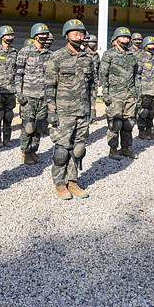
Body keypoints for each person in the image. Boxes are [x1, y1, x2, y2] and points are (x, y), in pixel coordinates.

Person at [45, 19, 96, 200]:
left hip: (82, 110)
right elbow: (49, 86)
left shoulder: (88, 58)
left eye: (81, 33)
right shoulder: (57, 57)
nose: (79, 36)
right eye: (75, 33)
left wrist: (92, 107)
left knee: (78, 148)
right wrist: (51, 110)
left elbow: (92, 85)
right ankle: (60, 183)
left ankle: (73, 181)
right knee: (61, 151)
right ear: (67, 35)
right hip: (64, 112)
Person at [14, 23, 52, 165]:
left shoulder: (49, 55)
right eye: (42, 35)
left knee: (40, 126)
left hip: (43, 96)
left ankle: (34, 150)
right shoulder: (25, 52)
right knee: (28, 126)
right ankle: (25, 152)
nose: (44, 37)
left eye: (46, 35)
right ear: (35, 36)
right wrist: (19, 93)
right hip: (28, 95)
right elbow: (18, 74)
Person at [99, 27, 138, 159]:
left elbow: (136, 75)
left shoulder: (132, 55)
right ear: (116, 39)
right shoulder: (109, 54)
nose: (126, 40)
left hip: (129, 94)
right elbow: (103, 75)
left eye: (127, 38)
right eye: (123, 37)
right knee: (116, 124)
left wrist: (136, 92)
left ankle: (126, 148)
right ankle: (113, 150)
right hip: (115, 94)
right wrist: (105, 94)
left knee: (128, 123)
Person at [137, 36, 154, 140]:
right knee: (143, 112)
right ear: (145, 45)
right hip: (144, 91)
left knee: (152, 112)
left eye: (153, 44)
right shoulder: (141, 58)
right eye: (150, 44)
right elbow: (137, 75)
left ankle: (149, 130)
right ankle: (141, 131)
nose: (152, 46)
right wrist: (138, 90)